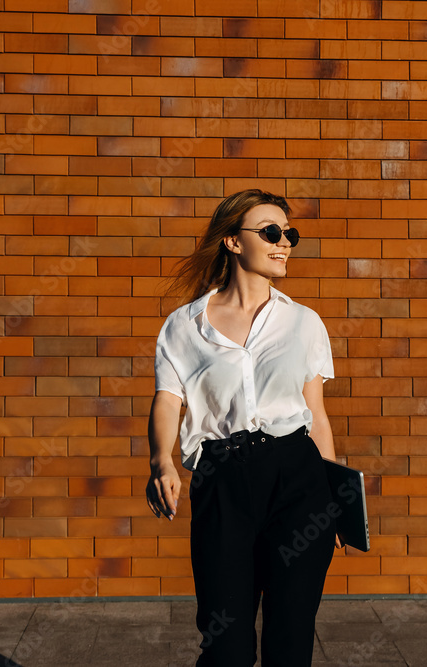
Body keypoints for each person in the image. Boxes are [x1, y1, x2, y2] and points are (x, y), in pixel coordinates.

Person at [146, 189, 341, 666]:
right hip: (223, 479)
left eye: (289, 234)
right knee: (225, 641)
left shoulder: (304, 322)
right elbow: (169, 398)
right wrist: (161, 460)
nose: (284, 243)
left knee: (291, 637)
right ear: (233, 242)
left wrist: (339, 494)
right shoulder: (184, 326)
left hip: (298, 476)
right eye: (270, 233)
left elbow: (315, 410)